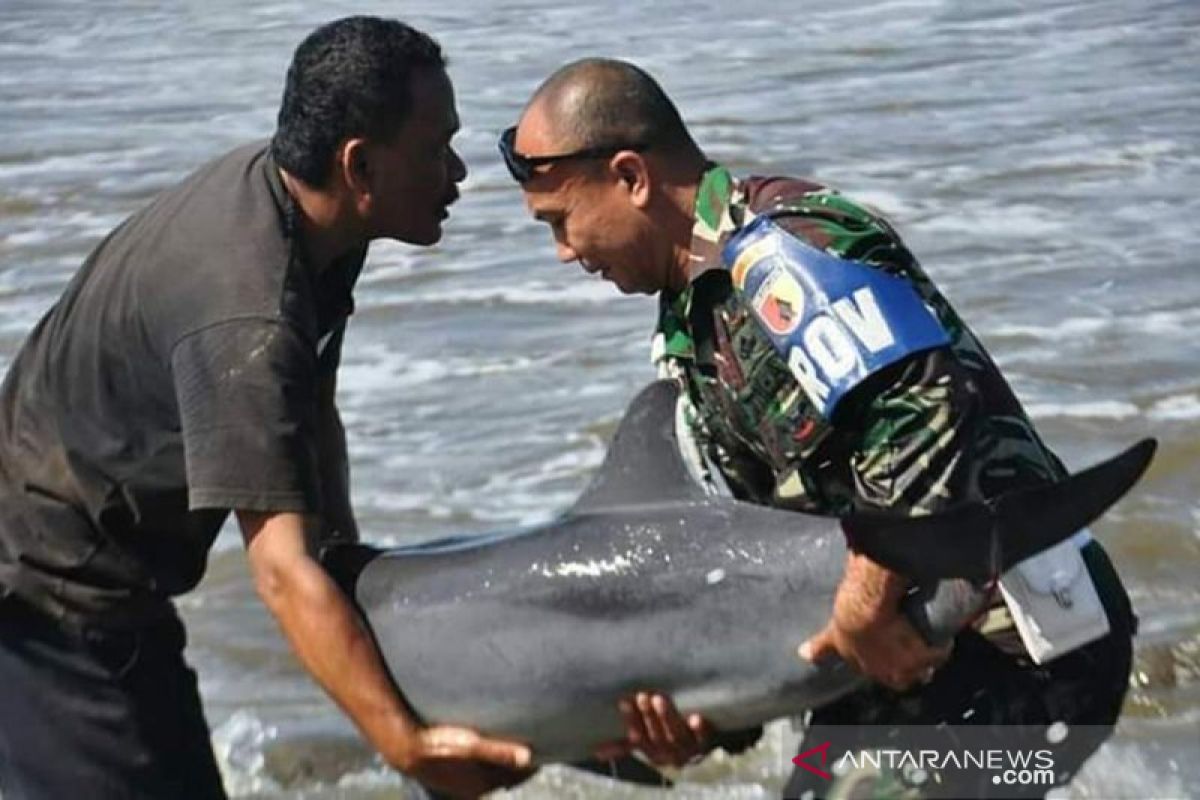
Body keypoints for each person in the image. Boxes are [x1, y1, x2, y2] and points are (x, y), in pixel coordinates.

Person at [0, 18, 700, 800]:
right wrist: (407, 746)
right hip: (46, 601)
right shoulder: (249, 309)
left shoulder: (307, 219)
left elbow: (309, 417)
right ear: (360, 166)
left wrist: (352, 576)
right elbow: (279, 570)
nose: (458, 172)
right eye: (437, 149)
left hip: (98, 588)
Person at [502, 58, 1137, 798]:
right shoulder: (688, 323)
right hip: (881, 680)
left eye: (560, 220)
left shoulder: (781, 247)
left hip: (1027, 656)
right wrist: (705, 715)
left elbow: (925, 405)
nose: (564, 252)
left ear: (631, 176)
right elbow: (762, 544)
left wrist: (865, 601)